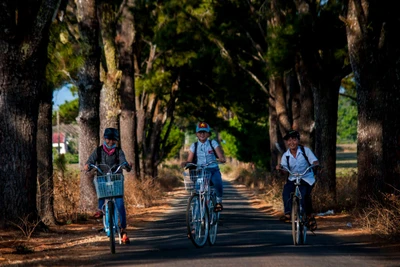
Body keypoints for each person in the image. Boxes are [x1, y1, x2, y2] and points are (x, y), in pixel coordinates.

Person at [84, 127, 133, 244]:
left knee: (120, 204)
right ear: (104, 139)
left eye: (113, 140)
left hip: (116, 179)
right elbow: (90, 160)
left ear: (116, 141)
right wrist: (88, 165)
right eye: (108, 140)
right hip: (102, 178)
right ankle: (100, 210)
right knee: (101, 195)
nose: (110, 142)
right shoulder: (98, 151)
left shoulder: (118, 151)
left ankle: (123, 229)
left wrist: (125, 165)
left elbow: (123, 161)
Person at [276, 130, 319, 225]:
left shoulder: (305, 151)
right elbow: (284, 170)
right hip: (293, 178)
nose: (292, 143)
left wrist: (315, 164)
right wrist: (280, 168)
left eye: (294, 140)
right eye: (289, 140)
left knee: (304, 194)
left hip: (306, 178)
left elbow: (314, 161)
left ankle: (309, 216)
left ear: (298, 141)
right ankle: (288, 214)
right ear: (287, 143)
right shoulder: (285, 156)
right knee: (286, 192)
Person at [181, 122, 226, 212]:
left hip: (213, 169)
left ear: (208, 134)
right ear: (196, 134)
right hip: (201, 171)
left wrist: (221, 158)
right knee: (198, 190)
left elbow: (219, 154)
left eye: (204, 132)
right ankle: (198, 209)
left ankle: (218, 202)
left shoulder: (212, 143)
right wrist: (186, 162)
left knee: (218, 183)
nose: (202, 134)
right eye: (200, 132)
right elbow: (190, 159)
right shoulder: (194, 146)